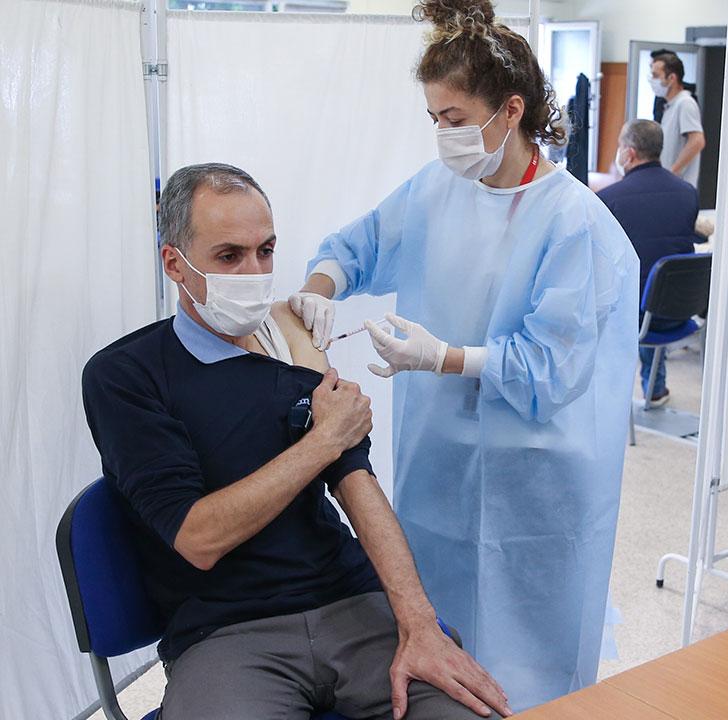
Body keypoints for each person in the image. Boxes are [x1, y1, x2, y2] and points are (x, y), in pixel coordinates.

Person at [286, 0, 639, 710]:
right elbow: (357, 247)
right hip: (440, 463)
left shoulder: (576, 224)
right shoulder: (436, 190)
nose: (443, 135)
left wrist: (442, 357)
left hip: (537, 480)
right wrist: (320, 287)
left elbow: (548, 371)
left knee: (532, 664)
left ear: (511, 111)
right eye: (434, 119)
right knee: (439, 638)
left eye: (454, 118)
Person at [81, 164, 509, 720]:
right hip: (226, 634)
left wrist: (420, 625)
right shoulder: (127, 375)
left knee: (470, 711)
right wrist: (322, 440)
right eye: (229, 256)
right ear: (174, 264)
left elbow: (357, 484)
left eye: (266, 251)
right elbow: (199, 537)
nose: (255, 273)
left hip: (351, 603)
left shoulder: (289, 338)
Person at [599, 119, 700, 405]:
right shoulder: (688, 193)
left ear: (629, 153)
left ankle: (607, 399)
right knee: (652, 281)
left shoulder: (609, 199)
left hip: (634, 315)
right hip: (682, 308)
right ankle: (655, 387)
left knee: (627, 289)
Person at [650, 51, 705, 188]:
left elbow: (697, 141)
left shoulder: (685, 103)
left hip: (679, 184)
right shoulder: (670, 106)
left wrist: (673, 171)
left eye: (656, 76)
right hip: (669, 183)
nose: (652, 80)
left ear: (672, 78)